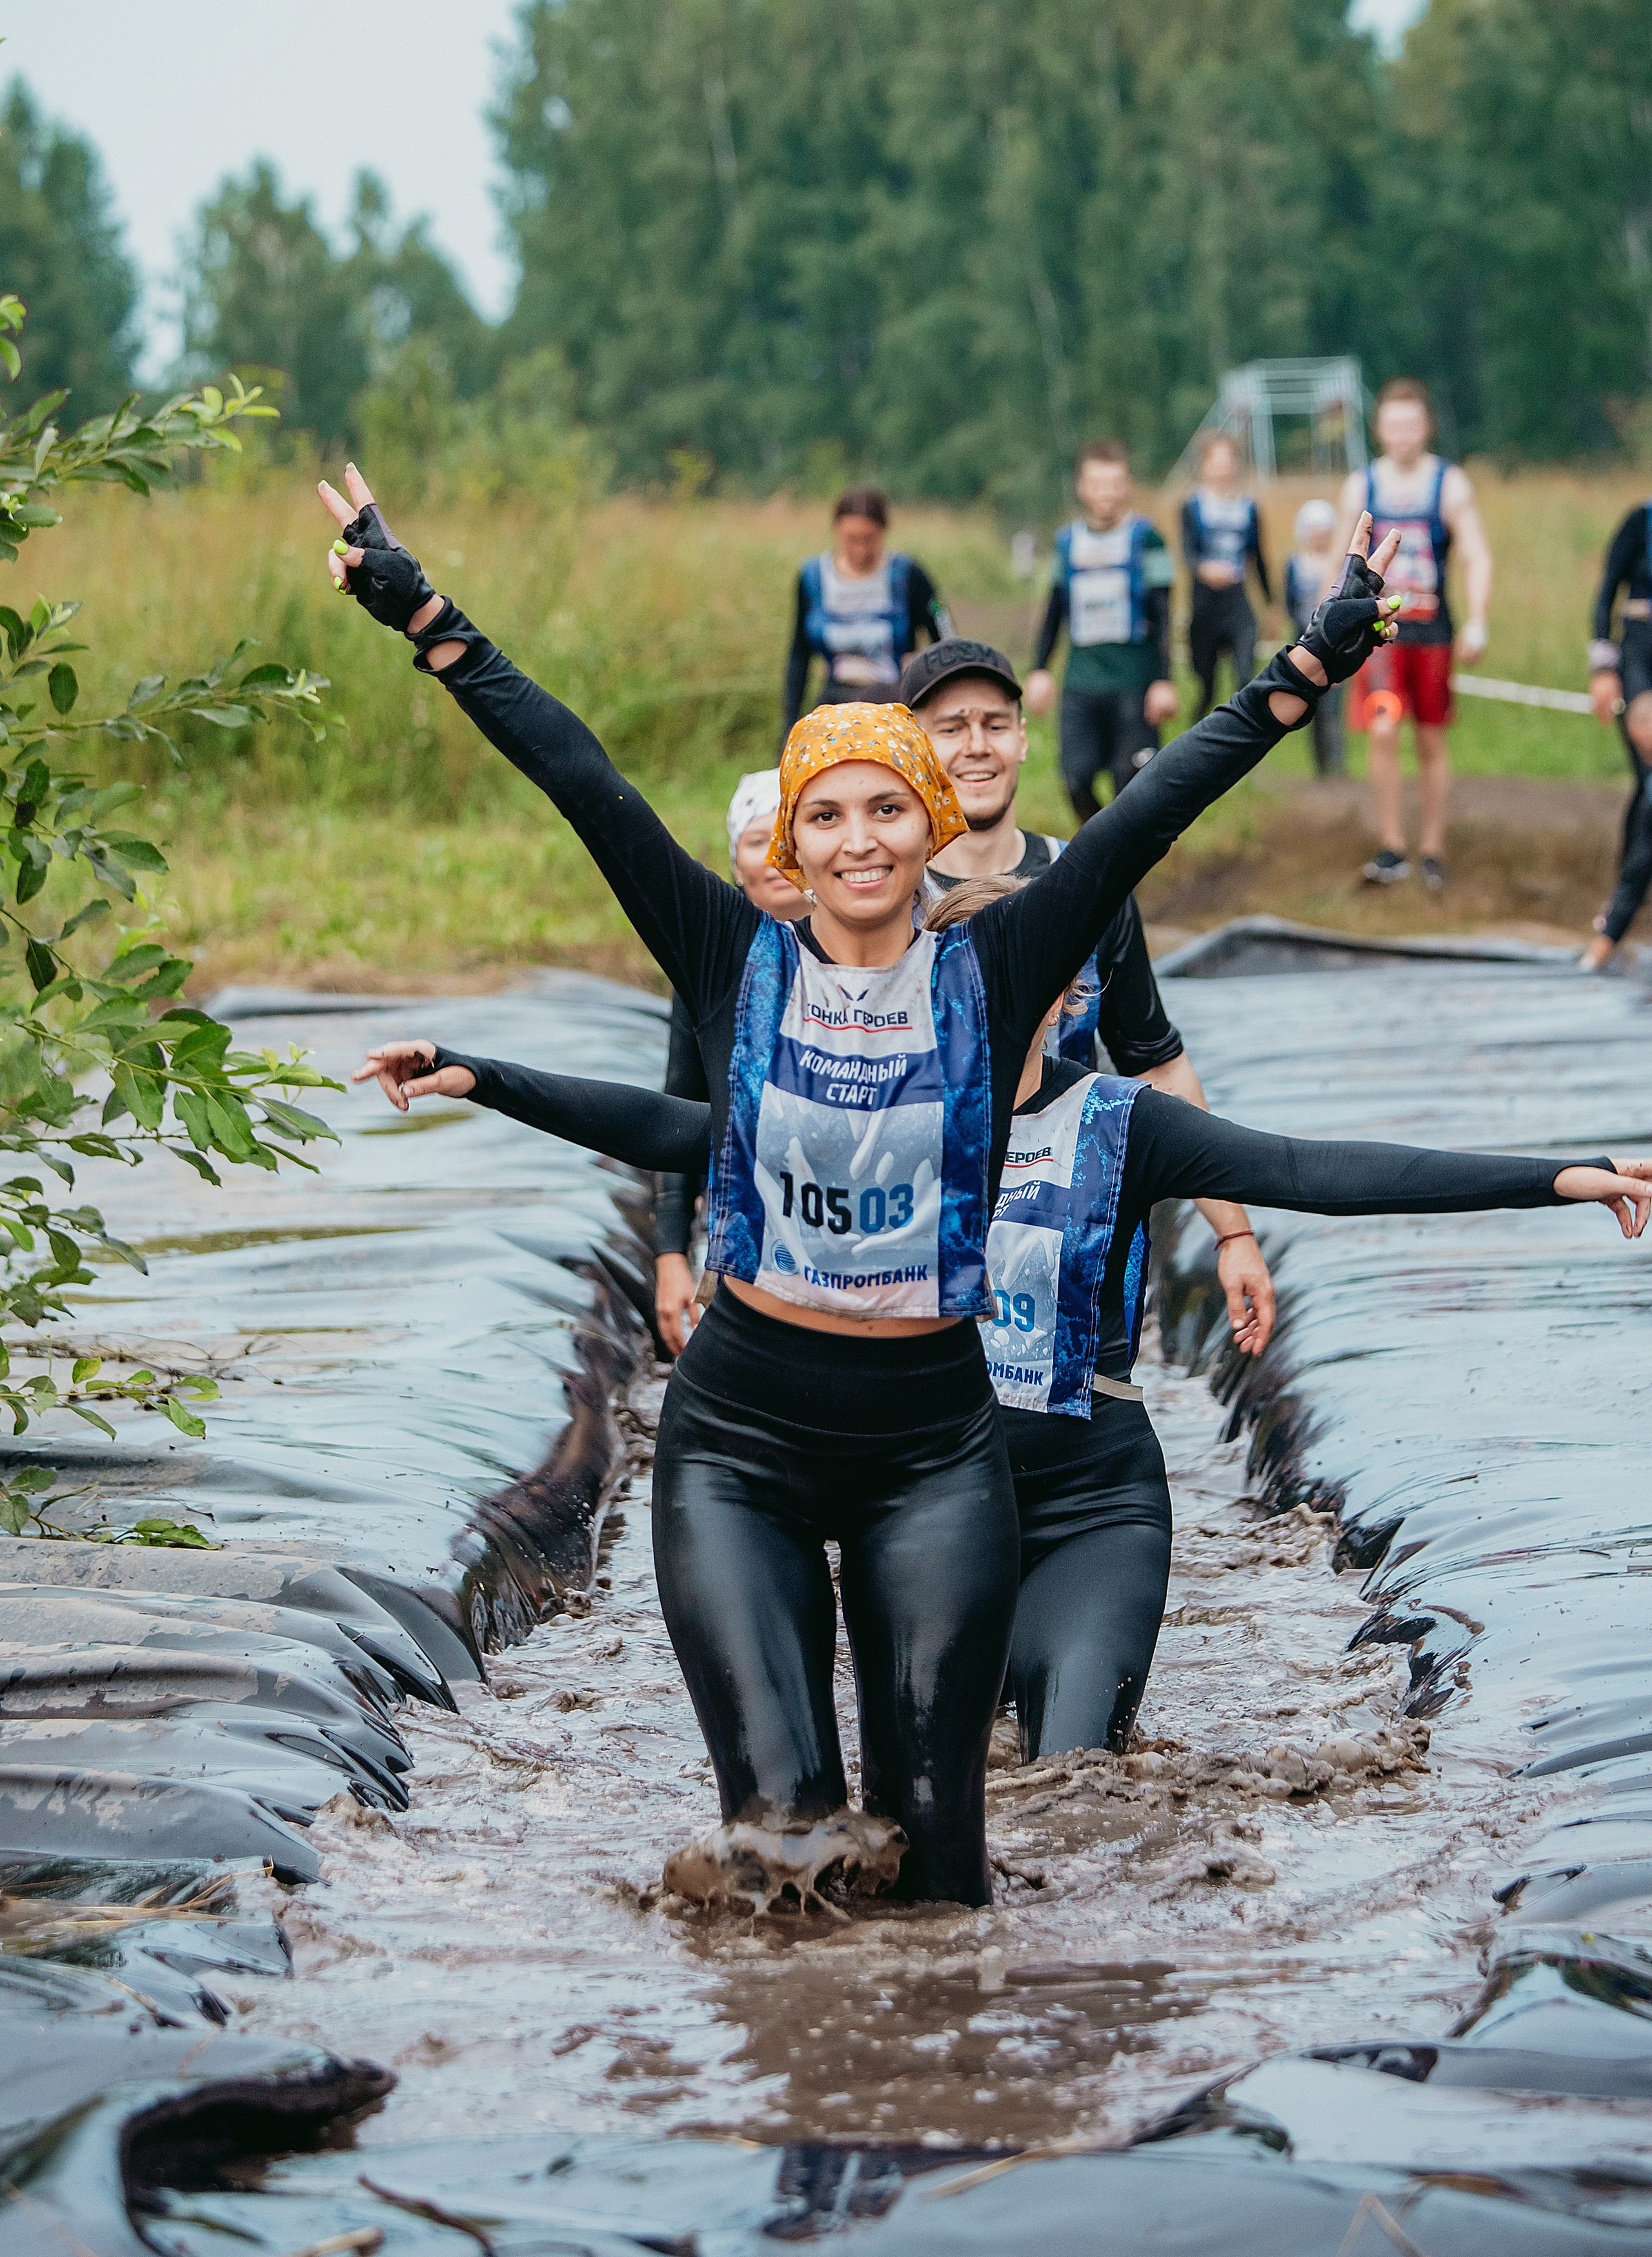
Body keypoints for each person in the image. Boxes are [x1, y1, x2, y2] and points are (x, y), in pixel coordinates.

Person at [319, 460, 1398, 1908]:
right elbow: (578, 776)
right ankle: (799, 2094)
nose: (857, 841)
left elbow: (1162, 802)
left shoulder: (1001, 966)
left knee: (941, 1875)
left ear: (927, 827)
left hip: (931, 1451)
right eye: (823, 817)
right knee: (785, 1835)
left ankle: (932, 2100)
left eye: (885, 811)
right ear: (790, 848)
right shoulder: (724, 957)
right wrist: (419, 608)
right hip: (743, 1443)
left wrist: (1314, 654)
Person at [355, 985, 1649, 1767]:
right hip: (920, 1514)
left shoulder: (1123, 1123)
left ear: (1054, 994)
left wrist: (1553, 1177)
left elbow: (1313, 1169)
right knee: (942, 1790)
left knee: (1078, 1775)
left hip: (1094, 1504)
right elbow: (665, 1126)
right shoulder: (869, 1123)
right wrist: (488, 1077)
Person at [900, 636, 1275, 1354]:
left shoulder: (1085, 881)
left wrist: (1233, 1233)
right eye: (950, 728)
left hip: (1073, 1248)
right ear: (913, 745)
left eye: (994, 725)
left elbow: (1154, 1061)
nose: (975, 747)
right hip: (925, 1242)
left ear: (1023, 739)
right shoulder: (884, 894)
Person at [652, 770, 808, 1355]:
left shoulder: (873, 947)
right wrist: (671, 1256)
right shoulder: (714, 962)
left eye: (784, 840)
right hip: (739, 1234)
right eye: (754, 841)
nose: (772, 858)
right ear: (735, 862)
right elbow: (680, 1101)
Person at [1333, 377, 1493, 891]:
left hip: (1433, 634)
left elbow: (1475, 555)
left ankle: (1432, 849)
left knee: (1429, 738)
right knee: (1383, 728)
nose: (1403, 434)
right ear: (1380, 429)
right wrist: (1324, 628)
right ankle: (1392, 845)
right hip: (1378, 633)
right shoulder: (1362, 487)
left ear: (1427, 428)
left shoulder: (1450, 484)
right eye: (1393, 424)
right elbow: (1341, 560)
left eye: (1412, 424)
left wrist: (1479, 620)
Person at [1025, 440, 1178, 824]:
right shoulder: (1067, 543)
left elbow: (1163, 614)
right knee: (1075, 781)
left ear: (1126, 486)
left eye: (1115, 483)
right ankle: (1104, 854)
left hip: (1134, 681)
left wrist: (1164, 680)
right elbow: (1054, 611)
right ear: (1082, 487)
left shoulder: (1149, 539)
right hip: (1082, 681)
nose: (1106, 494)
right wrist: (1040, 669)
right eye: (1098, 484)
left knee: (1133, 787)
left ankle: (1121, 871)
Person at [781, 484, 950, 738]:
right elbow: (799, 655)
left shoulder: (908, 575)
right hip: (835, 701)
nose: (860, 550)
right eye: (852, 539)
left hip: (894, 702)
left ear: (883, 532)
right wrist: (789, 727)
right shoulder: (812, 578)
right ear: (837, 530)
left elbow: (945, 635)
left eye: (869, 540)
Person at [1582, 497, 1652, 970]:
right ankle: (1615, 921)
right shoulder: (1641, 520)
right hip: (1641, 657)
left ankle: (1615, 919)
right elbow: (1607, 590)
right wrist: (1604, 667)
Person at [1181, 431, 1272, 720]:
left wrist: (1272, 604)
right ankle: (1196, 746)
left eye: (1227, 460)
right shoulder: (1192, 507)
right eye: (1215, 461)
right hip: (1204, 602)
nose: (1222, 467)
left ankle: (1240, 742)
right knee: (1206, 684)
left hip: (1237, 601)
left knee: (1245, 678)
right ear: (1204, 465)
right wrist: (1203, 568)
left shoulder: (1249, 508)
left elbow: (1257, 558)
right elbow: (1187, 553)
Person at [1284, 499, 1345, 777]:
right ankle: (1320, 768)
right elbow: (1288, 604)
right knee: (1309, 708)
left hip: (1336, 643)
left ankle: (1337, 766)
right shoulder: (1294, 564)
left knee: (1334, 709)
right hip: (1304, 640)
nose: (1319, 534)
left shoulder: (1340, 566)